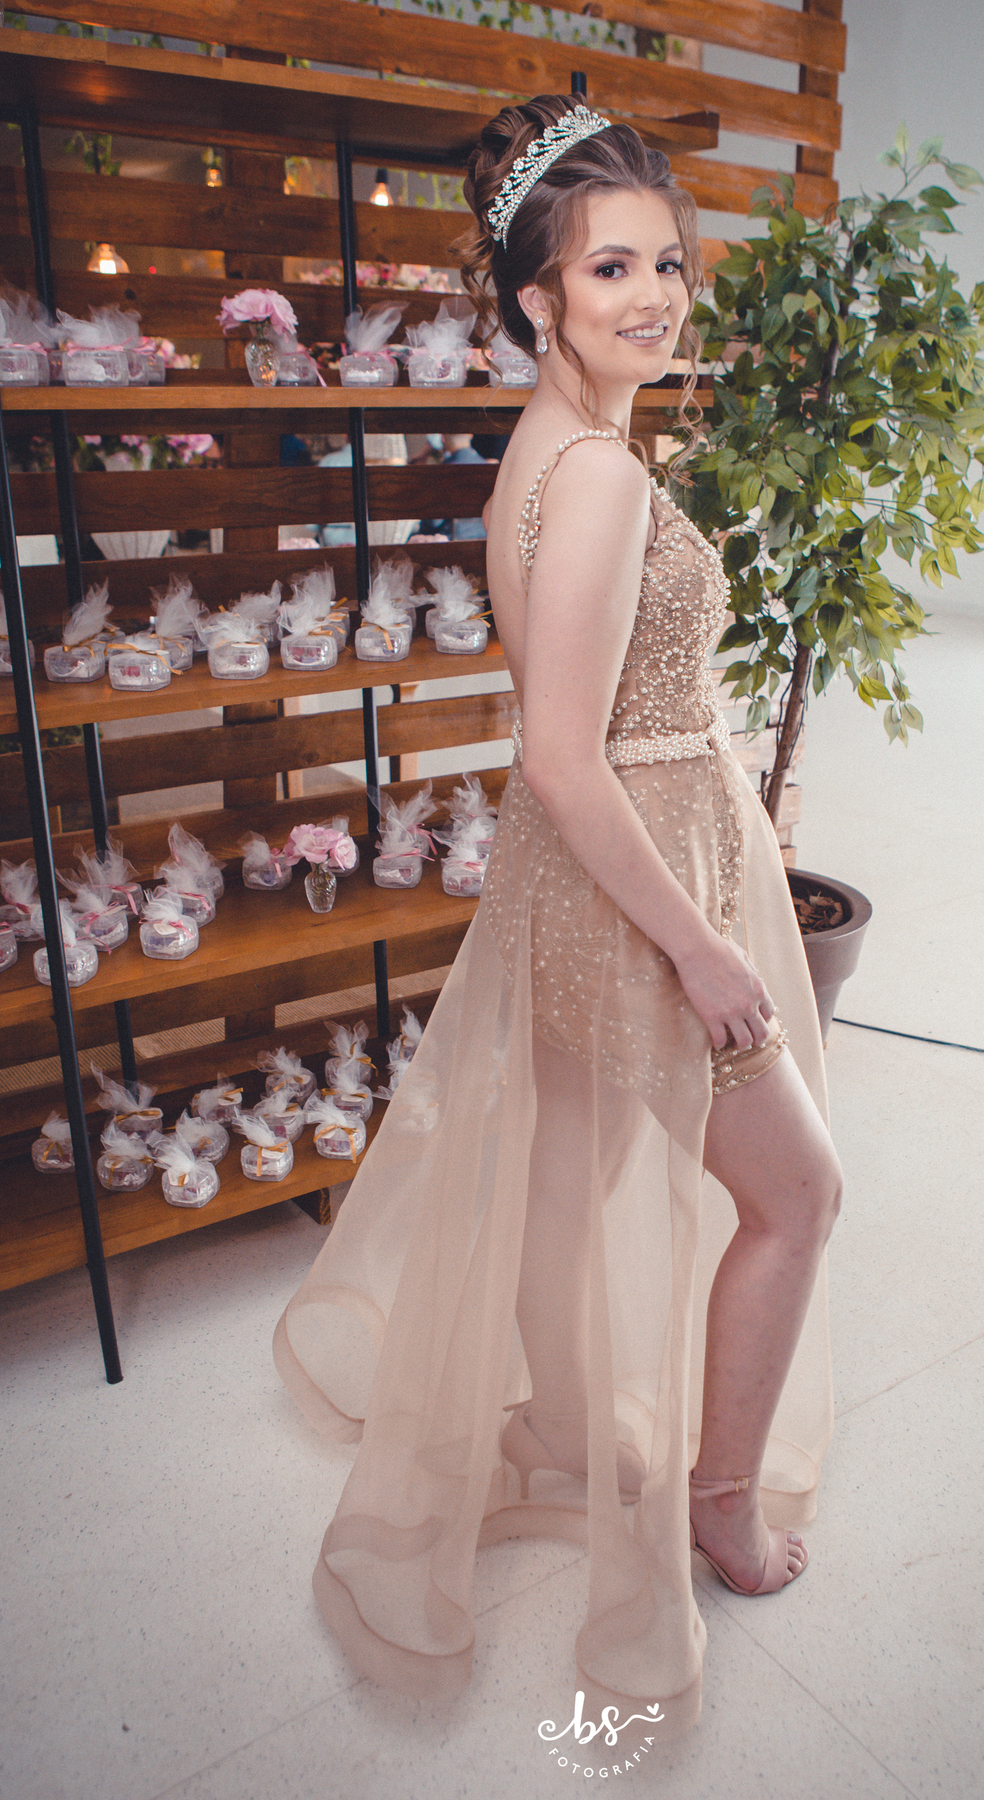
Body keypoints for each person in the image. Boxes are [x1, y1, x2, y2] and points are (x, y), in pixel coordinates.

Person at [274, 94, 842, 1740]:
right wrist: (703, 946)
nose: (654, 295)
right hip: (631, 888)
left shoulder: (550, 443)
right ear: (538, 298)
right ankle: (716, 1505)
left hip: (589, 878)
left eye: (667, 261)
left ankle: (565, 1430)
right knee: (799, 1194)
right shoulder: (593, 475)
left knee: (569, 1171)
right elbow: (562, 756)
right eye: (611, 269)